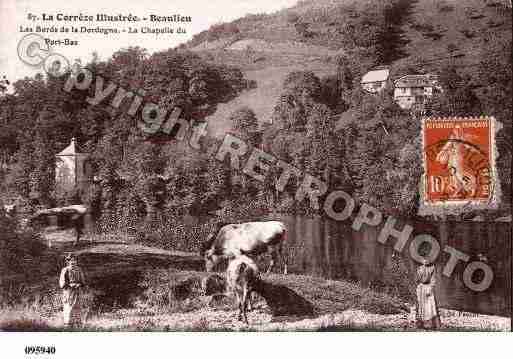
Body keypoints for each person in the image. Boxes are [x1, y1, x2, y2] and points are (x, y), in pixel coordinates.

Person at [59, 254, 86, 328]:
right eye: (71, 260)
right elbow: (62, 283)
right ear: (68, 262)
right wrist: (70, 285)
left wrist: (79, 284)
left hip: (78, 292)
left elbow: (83, 281)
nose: (73, 262)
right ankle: (67, 325)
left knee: (78, 307)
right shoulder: (65, 270)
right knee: (69, 307)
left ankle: (77, 325)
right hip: (69, 292)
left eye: (75, 260)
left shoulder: (79, 269)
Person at [416, 259, 441, 330]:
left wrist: (430, 289)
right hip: (421, 288)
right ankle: (421, 324)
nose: (425, 261)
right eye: (424, 259)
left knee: (430, 307)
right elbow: (418, 278)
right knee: (421, 306)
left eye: (427, 259)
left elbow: (433, 280)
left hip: (428, 287)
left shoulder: (432, 268)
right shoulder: (419, 268)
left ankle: (430, 324)